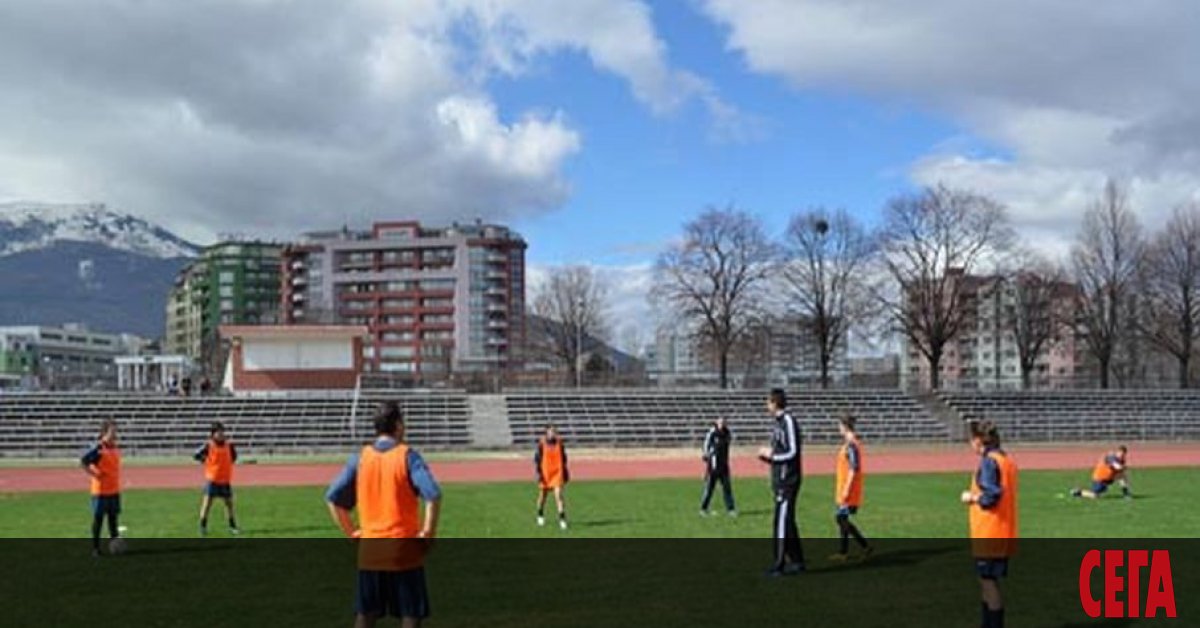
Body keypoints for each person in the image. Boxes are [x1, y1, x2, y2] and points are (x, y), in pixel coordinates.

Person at [326, 401, 442, 628]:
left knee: (366, 614)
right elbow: (433, 494)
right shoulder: (407, 456)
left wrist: (352, 532)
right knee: (410, 614)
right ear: (398, 425)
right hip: (403, 550)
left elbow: (333, 499)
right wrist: (427, 533)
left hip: (370, 550)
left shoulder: (360, 458)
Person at [961, 420, 1018, 628]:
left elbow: (992, 495)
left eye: (971, 440)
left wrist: (972, 497)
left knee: (988, 582)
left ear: (979, 440)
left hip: (990, 532)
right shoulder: (1006, 460)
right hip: (1004, 529)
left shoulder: (989, 462)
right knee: (987, 581)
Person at [757, 388, 805, 576]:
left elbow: (793, 452)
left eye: (767, 401)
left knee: (781, 522)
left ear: (775, 403)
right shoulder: (777, 424)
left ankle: (779, 564)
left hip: (788, 480)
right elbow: (780, 450)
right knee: (788, 521)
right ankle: (797, 561)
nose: (766, 405)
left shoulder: (788, 422)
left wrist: (772, 455)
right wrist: (768, 458)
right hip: (780, 479)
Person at [829, 413, 871, 562]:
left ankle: (865, 545)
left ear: (845, 426)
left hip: (849, 491)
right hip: (845, 489)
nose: (838, 428)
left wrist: (847, 488)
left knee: (840, 518)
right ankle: (843, 552)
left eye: (839, 425)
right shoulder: (849, 444)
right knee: (842, 519)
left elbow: (854, 468)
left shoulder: (852, 445)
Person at [80, 419, 122, 557]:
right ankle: (96, 549)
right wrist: (94, 474)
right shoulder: (98, 448)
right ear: (104, 433)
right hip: (100, 491)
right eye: (112, 431)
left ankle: (114, 546)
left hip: (114, 490)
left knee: (113, 519)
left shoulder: (115, 447)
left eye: (116, 431)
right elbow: (84, 461)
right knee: (98, 519)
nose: (115, 434)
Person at [194, 421, 240, 536]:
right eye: (218, 432)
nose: (221, 434)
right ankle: (202, 526)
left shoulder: (229, 445)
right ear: (213, 434)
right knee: (207, 504)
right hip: (212, 480)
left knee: (229, 504)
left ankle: (232, 526)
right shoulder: (209, 446)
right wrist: (205, 461)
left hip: (225, 480)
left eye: (222, 432)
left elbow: (234, 457)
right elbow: (196, 455)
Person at [534, 424, 570, 530]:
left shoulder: (560, 442)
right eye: (550, 431)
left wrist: (565, 471)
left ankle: (562, 519)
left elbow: (564, 457)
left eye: (554, 431)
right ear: (546, 433)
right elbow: (537, 459)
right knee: (543, 496)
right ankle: (540, 514)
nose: (552, 433)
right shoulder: (542, 443)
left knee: (559, 496)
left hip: (557, 472)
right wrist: (539, 473)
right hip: (545, 473)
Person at [699, 417, 736, 516]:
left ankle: (731, 509)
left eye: (723, 423)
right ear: (716, 423)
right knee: (709, 488)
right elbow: (706, 445)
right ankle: (703, 508)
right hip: (713, 465)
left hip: (723, 465)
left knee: (727, 488)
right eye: (720, 422)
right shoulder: (712, 433)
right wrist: (706, 454)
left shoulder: (727, 433)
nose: (722, 424)